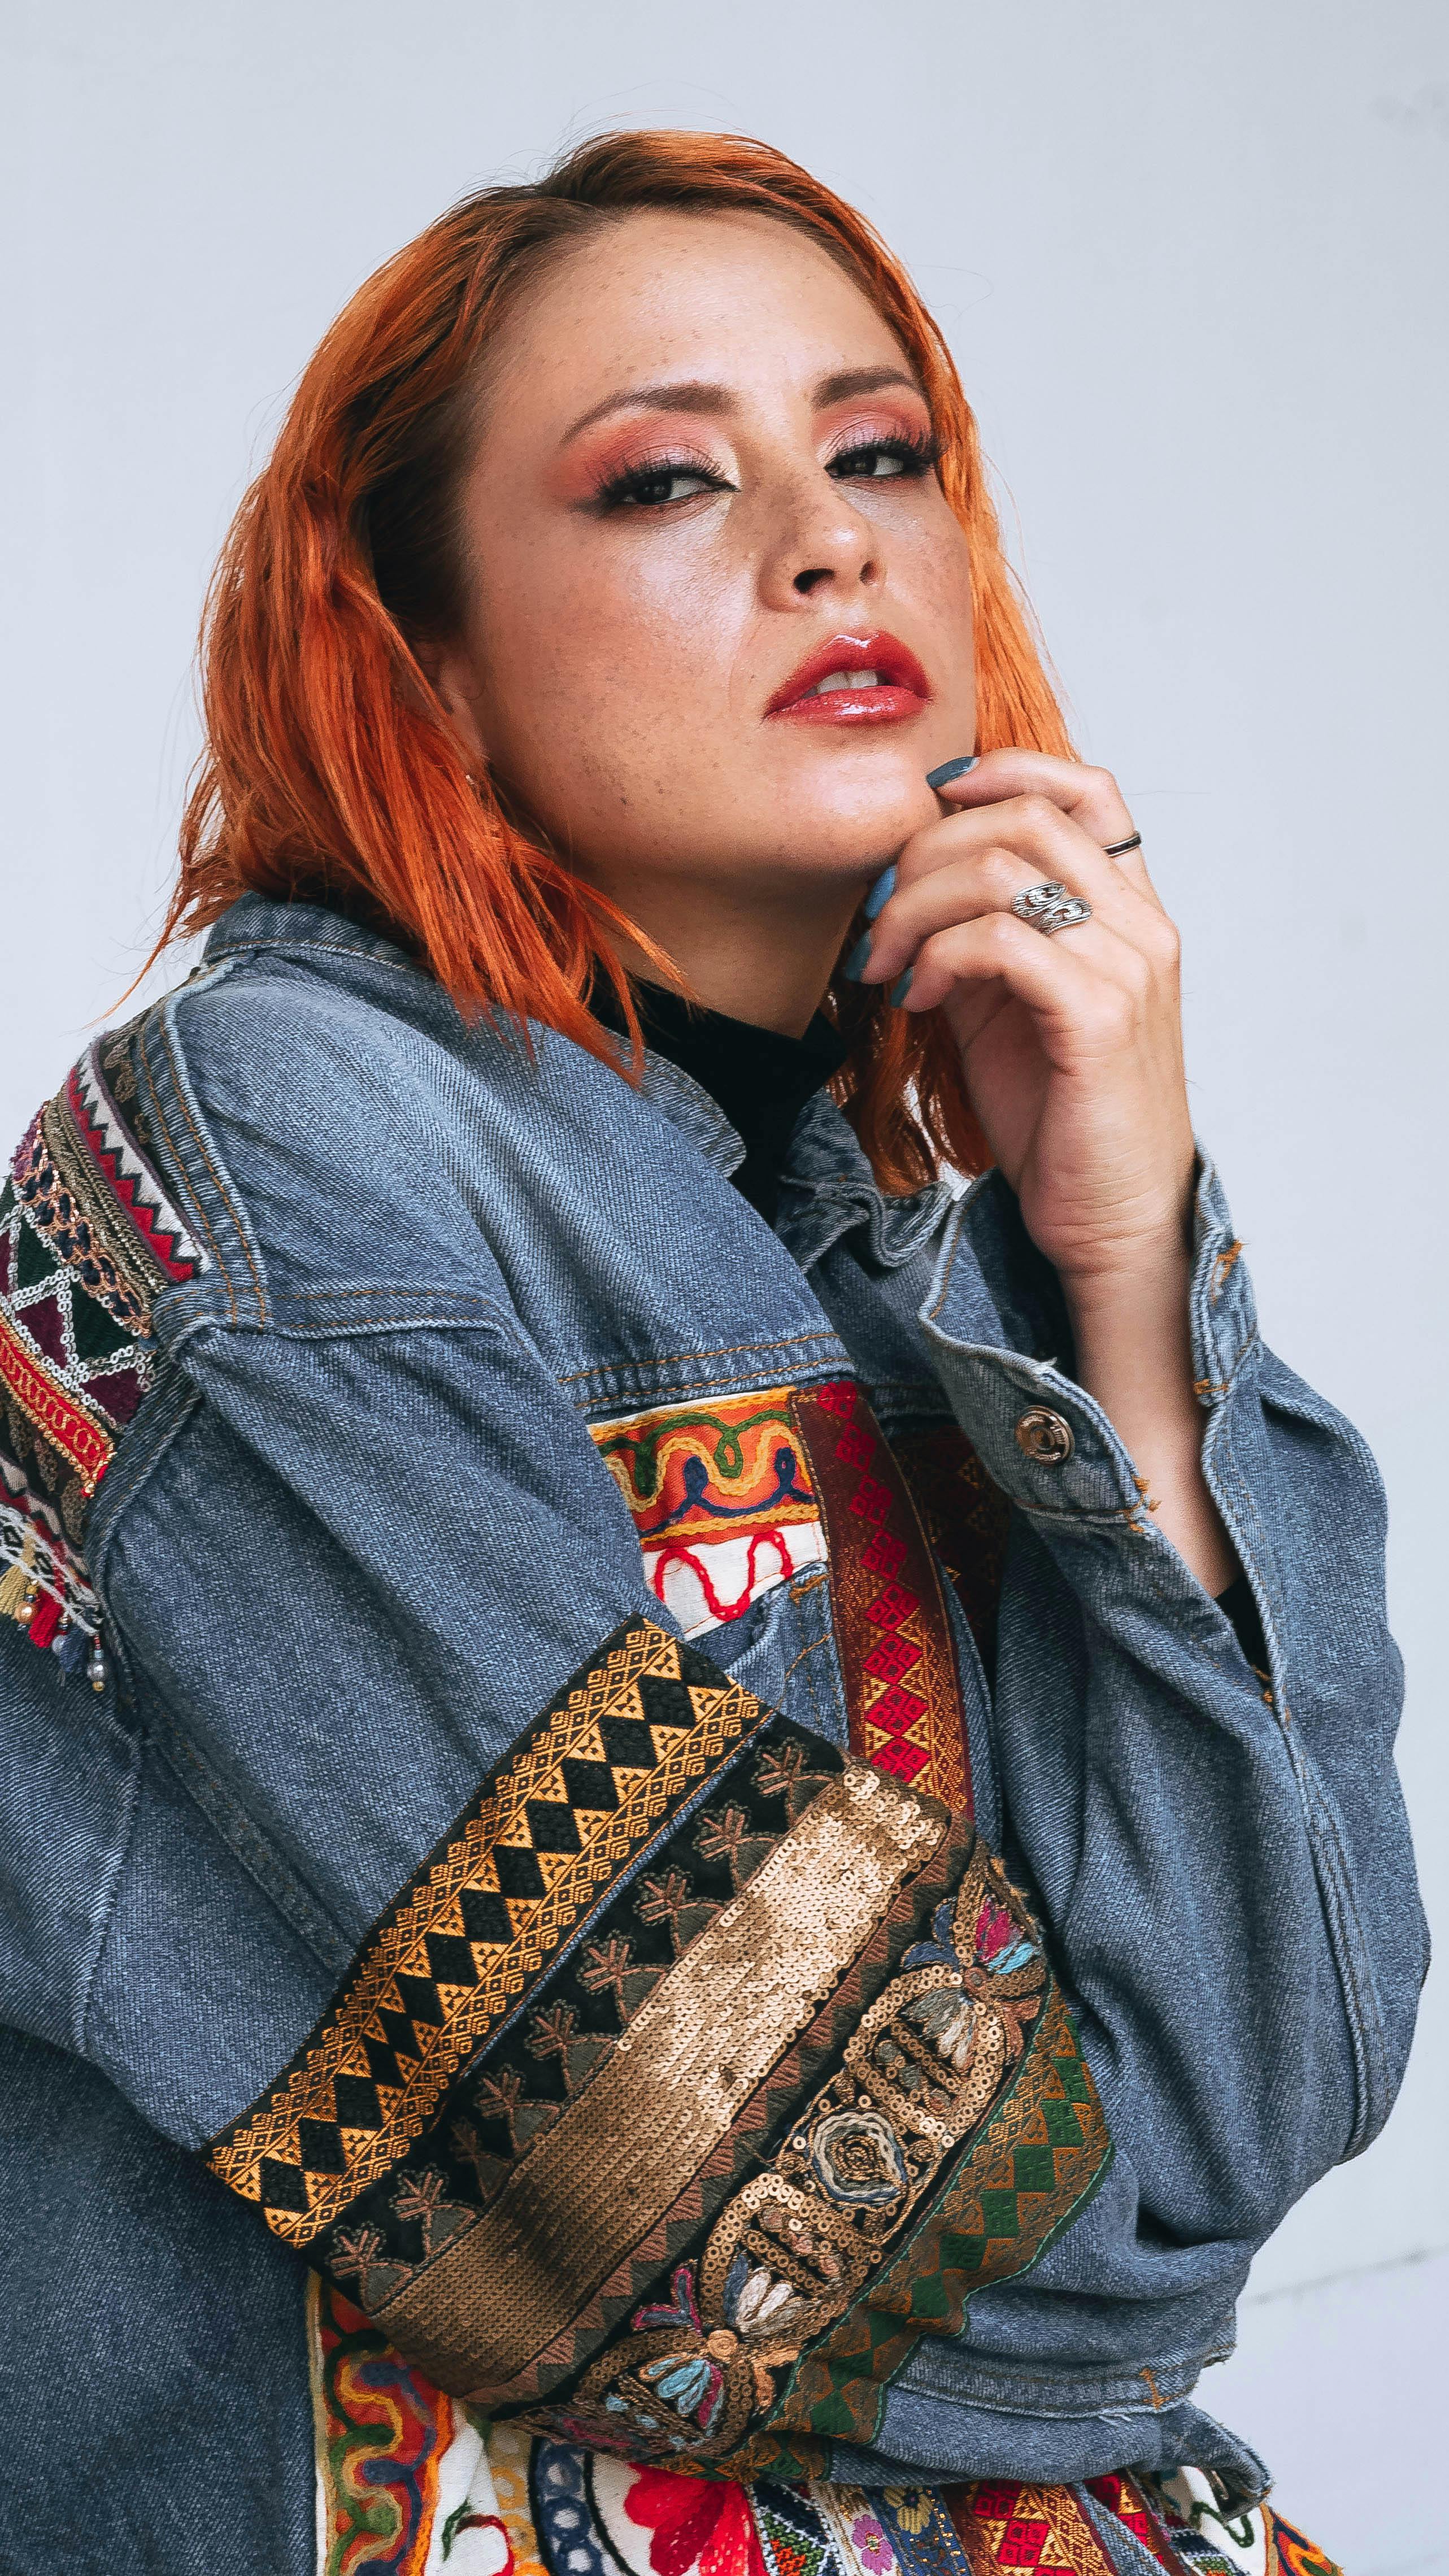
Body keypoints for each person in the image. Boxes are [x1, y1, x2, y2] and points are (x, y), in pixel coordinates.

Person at [0, 129, 1423, 2576]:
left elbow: (1274, 2079)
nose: (829, 541)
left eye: (881, 453)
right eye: (667, 478)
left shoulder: (909, 1256)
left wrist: (1121, 1282)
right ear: (414, 645)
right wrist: (1121, 2267)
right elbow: (923, 2262)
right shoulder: (277, 1166)